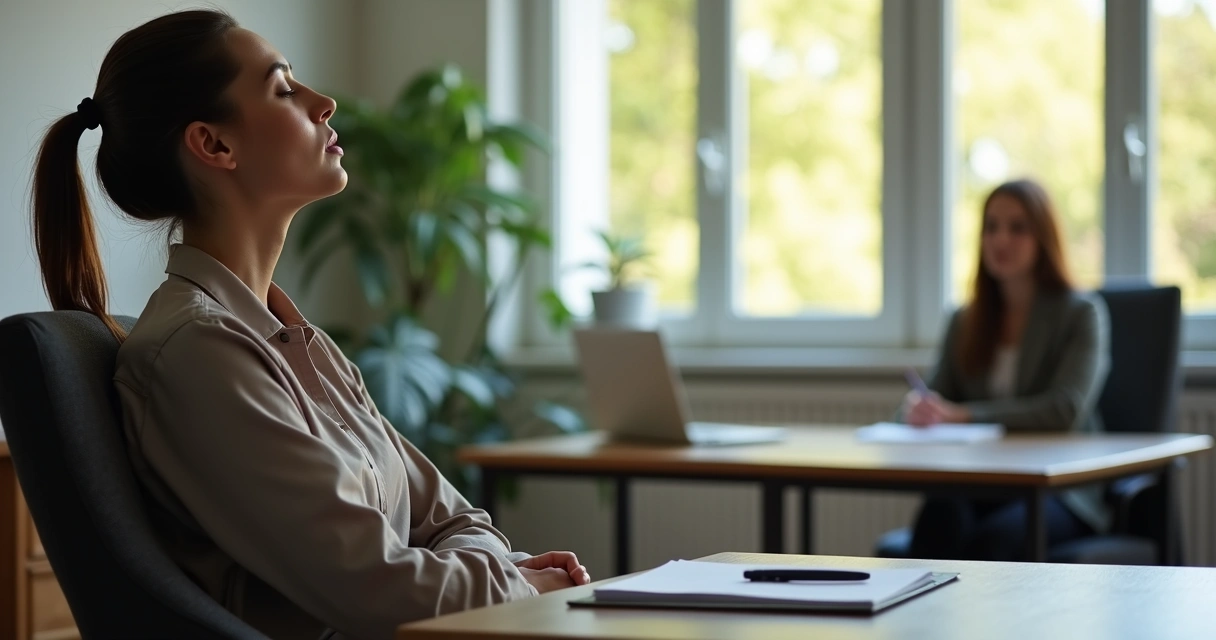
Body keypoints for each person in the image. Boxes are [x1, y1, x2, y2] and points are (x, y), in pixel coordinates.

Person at [30, 10, 586, 640]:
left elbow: (460, 522)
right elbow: (387, 594)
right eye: (283, 89)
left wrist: (495, 571)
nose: (323, 104)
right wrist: (519, 582)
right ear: (215, 144)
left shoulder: (293, 342)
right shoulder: (199, 356)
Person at [900, 179, 1111, 561]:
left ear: (1042, 238)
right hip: (984, 483)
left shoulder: (1081, 314)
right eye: (991, 227)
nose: (1001, 240)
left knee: (995, 541)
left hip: (1058, 489)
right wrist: (919, 409)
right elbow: (936, 394)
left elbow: (1064, 410)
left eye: (1017, 228)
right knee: (939, 516)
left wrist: (963, 415)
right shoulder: (965, 320)